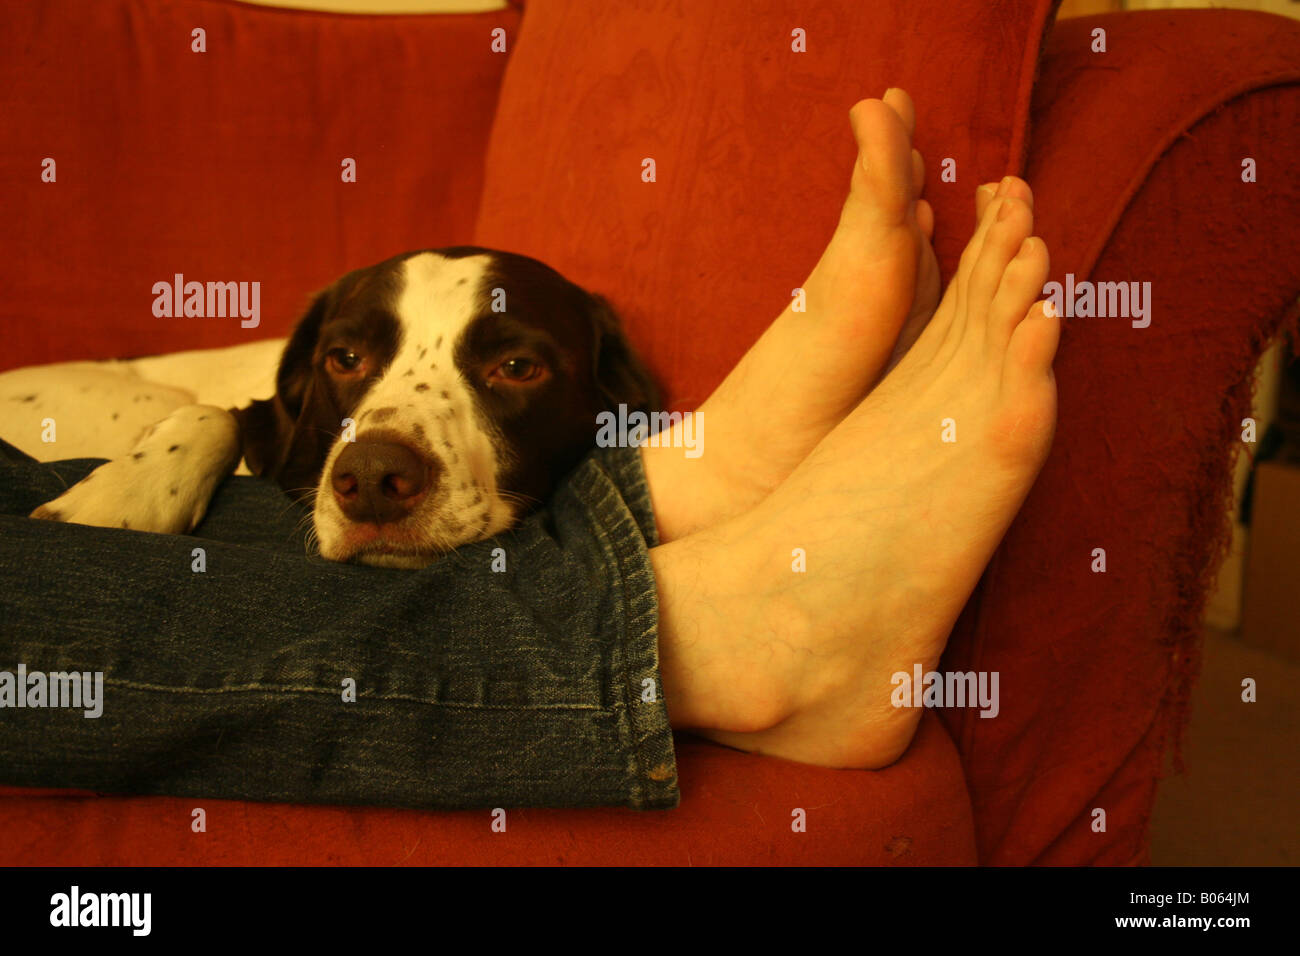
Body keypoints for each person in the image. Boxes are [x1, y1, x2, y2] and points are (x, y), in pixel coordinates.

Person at [0, 90, 1057, 811]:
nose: (382, 451)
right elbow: (276, 448)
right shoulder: (264, 413)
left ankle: (693, 468)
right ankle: (719, 614)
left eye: (508, 366)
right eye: (357, 360)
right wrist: (200, 432)